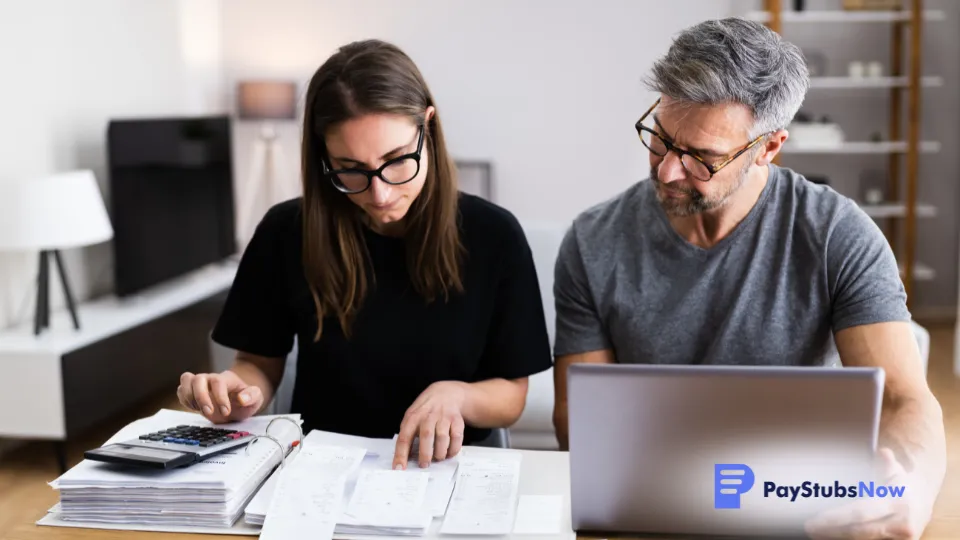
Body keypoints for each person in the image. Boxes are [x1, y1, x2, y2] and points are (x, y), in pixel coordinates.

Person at [551, 17, 945, 540]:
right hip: (650, 517)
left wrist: (909, 492)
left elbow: (904, 400)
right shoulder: (593, 241)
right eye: (661, 138)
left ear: (769, 146)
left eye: (702, 158)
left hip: (803, 514)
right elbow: (579, 424)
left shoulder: (838, 235)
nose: (667, 170)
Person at [176, 39, 552, 470]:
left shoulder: (495, 235)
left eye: (395, 160)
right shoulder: (286, 231)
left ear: (427, 126)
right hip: (321, 465)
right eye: (350, 168)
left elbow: (511, 395)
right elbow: (258, 364)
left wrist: (457, 394)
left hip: (450, 468)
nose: (380, 193)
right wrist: (233, 391)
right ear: (323, 157)